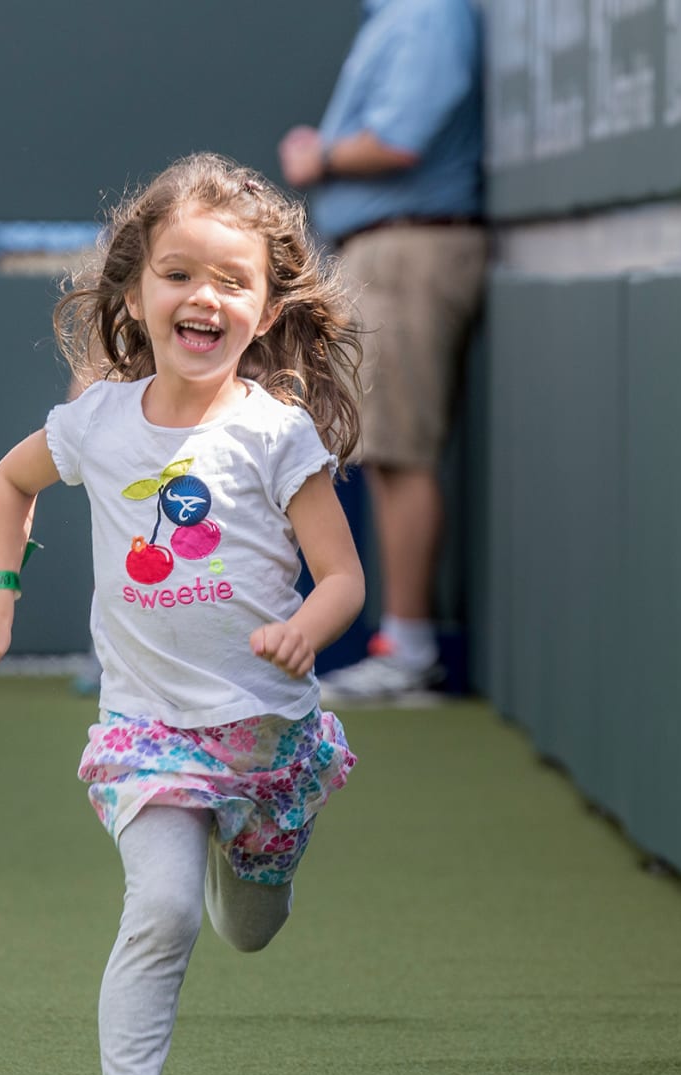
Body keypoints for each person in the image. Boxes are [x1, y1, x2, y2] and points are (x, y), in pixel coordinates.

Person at [0, 153, 366, 1075]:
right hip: (151, 737)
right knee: (165, 906)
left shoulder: (278, 436)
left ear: (269, 310)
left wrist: (304, 628)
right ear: (134, 292)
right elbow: (10, 481)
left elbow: (344, 576)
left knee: (250, 923)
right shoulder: (98, 422)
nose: (205, 298)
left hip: (265, 742)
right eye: (180, 274)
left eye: (233, 281)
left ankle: (255, 866)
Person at [280, 0, 487, 704]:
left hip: (410, 246)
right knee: (381, 450)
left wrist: (321, 155)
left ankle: (408, 648)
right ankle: (401, 643)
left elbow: (400, 139)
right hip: (385, 246)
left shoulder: (428, 13)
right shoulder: (396, 16)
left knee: (399, 450)